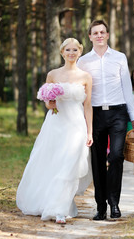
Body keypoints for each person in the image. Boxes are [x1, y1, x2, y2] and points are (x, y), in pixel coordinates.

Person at [16, 38, 93, 224]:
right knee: (54, 162)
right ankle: (51, 202)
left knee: (70, 164)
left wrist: (90, 131)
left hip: (76, 125)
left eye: (75, 49)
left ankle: (60, 209)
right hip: (56, 123)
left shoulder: (86, 77)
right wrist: (48, 103)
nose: (72, 53)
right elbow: (46, 98)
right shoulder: (53, 74)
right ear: (62, 52)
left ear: (80, 52)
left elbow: (88, 105)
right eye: (68, 49)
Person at [77, 19, 134, 220]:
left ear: (107, 34)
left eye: (102, 32)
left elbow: (126, 88)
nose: (99, 35)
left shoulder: (120, 58)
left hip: (118, 114)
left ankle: (114, 203)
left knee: (115, 157)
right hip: (94, 115)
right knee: (97, 161)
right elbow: (81, 91)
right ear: (90, 37)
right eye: (95, 33)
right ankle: (100, 207)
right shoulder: (83, 61)